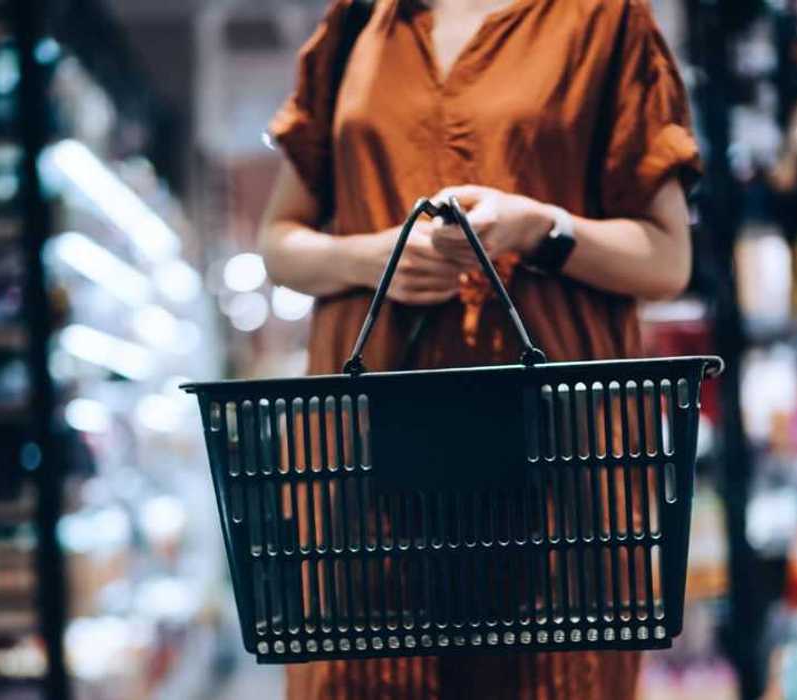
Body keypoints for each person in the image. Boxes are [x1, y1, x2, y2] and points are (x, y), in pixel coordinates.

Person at [258, 0, 701, 697]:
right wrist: (368, 259)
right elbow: (279, 242)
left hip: (559, 455)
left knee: (555, 672)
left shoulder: (601, 21)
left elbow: (667, 258)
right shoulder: (357, 24)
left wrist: (539, 228)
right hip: (367, 455)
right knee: (360, 671)